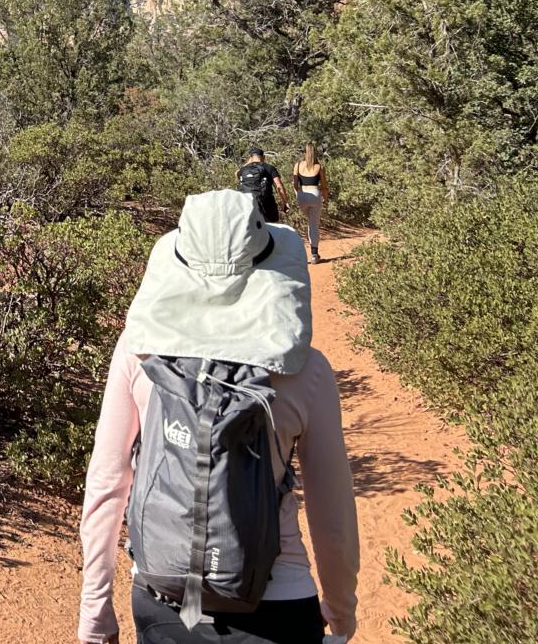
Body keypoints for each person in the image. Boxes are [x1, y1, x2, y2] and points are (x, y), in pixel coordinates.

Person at [77, 189, 359, 644]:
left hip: (164, 596)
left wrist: (95, 610)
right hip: (280, 602)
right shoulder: (305, 369)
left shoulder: (139, 352)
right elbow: (334, 514)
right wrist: (340, 611)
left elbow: (108, 484)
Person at [292, 144, 328, 265]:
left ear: (304, 152)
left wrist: (298, 194)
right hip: (315, 194)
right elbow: (324, 186)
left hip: (302, 195)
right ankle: (314, 254)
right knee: (314, 225)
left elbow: (295, 184)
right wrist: (326, 198)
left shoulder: (297, 165)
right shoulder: (319, 167)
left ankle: (311, 252)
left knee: (310, 223)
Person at [237, 148, 288, 224]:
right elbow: (279, 185)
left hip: (247, 205)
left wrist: (249, 162)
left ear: (250, 157)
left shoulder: (243, 170)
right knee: (273, 229)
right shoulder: (269, 168)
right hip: (267, 204)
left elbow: (236, 174)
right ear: (263, 157)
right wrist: (285, 202)